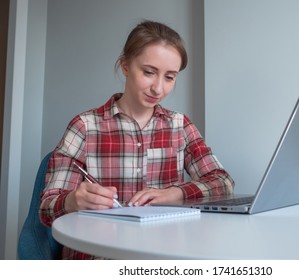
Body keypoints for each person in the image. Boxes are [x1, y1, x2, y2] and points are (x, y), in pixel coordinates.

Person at [39, 20, 235, 259]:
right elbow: (47, 208)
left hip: (162, 255)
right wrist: (72, 200)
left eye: (170, 77)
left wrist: (175, 193)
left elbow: (223, 182)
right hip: (97, 257)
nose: (158, 88)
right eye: (149, 72)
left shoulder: (180, 125)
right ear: (125, 66)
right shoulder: (85, 126)